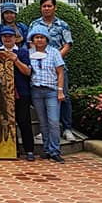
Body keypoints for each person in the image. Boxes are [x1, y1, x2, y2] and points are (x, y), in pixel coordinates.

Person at [29, 0, 80, 143]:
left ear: (55, 7)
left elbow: (67, 44)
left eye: (49, 6)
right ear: (41, 8)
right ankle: (45, 130)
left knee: (63, 96)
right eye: (44, 6)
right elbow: (31, 44)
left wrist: (54, 58)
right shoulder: (35, 24)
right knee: (41, 99)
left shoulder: (62, 25)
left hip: (58, 66)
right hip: (40, 68)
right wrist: (41, 58)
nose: (46, 8)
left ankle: (67, 128)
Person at [26, 27, 67, 163]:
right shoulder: (29, 53)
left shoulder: (54, 53)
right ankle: (47, 148)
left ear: (46, 39)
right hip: (36, 91)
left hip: (52, 90)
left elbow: (60, 72)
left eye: (42, 37)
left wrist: (60, 90)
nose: (39, 40)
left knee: (54, 121)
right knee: (43, 122)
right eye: (36, 37)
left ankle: (55, 150)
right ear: (32, 40)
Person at [1, 26, 35, 160]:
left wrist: (16, 60)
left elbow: (27, 72)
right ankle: (11, 149)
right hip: (3, 94)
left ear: (15, 38)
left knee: (24, 121)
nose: (7, 39)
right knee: (6, 122)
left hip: (21, 92)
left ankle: (29, 150)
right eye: (5, 36)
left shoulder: (23, 53)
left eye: (10, 36)